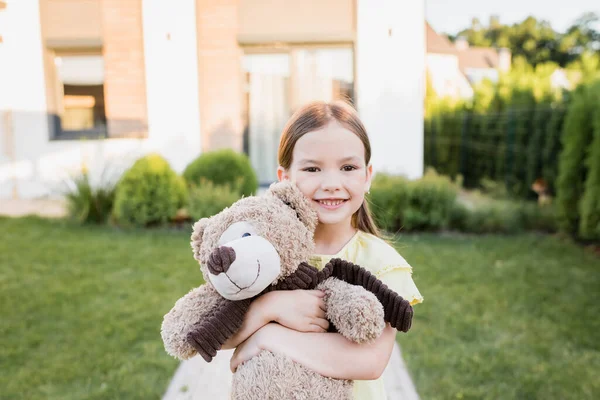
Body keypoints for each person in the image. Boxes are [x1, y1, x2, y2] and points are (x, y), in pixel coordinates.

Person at [223, 100, 423, 399]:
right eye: (313, 168)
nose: (331, 183)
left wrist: (266, 336)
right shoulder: (263, 251)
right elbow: (220, 334)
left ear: (367, 176)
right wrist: (269, 307)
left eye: (348, 167)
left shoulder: (381, 265)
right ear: (285, 178)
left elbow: (368, 361)